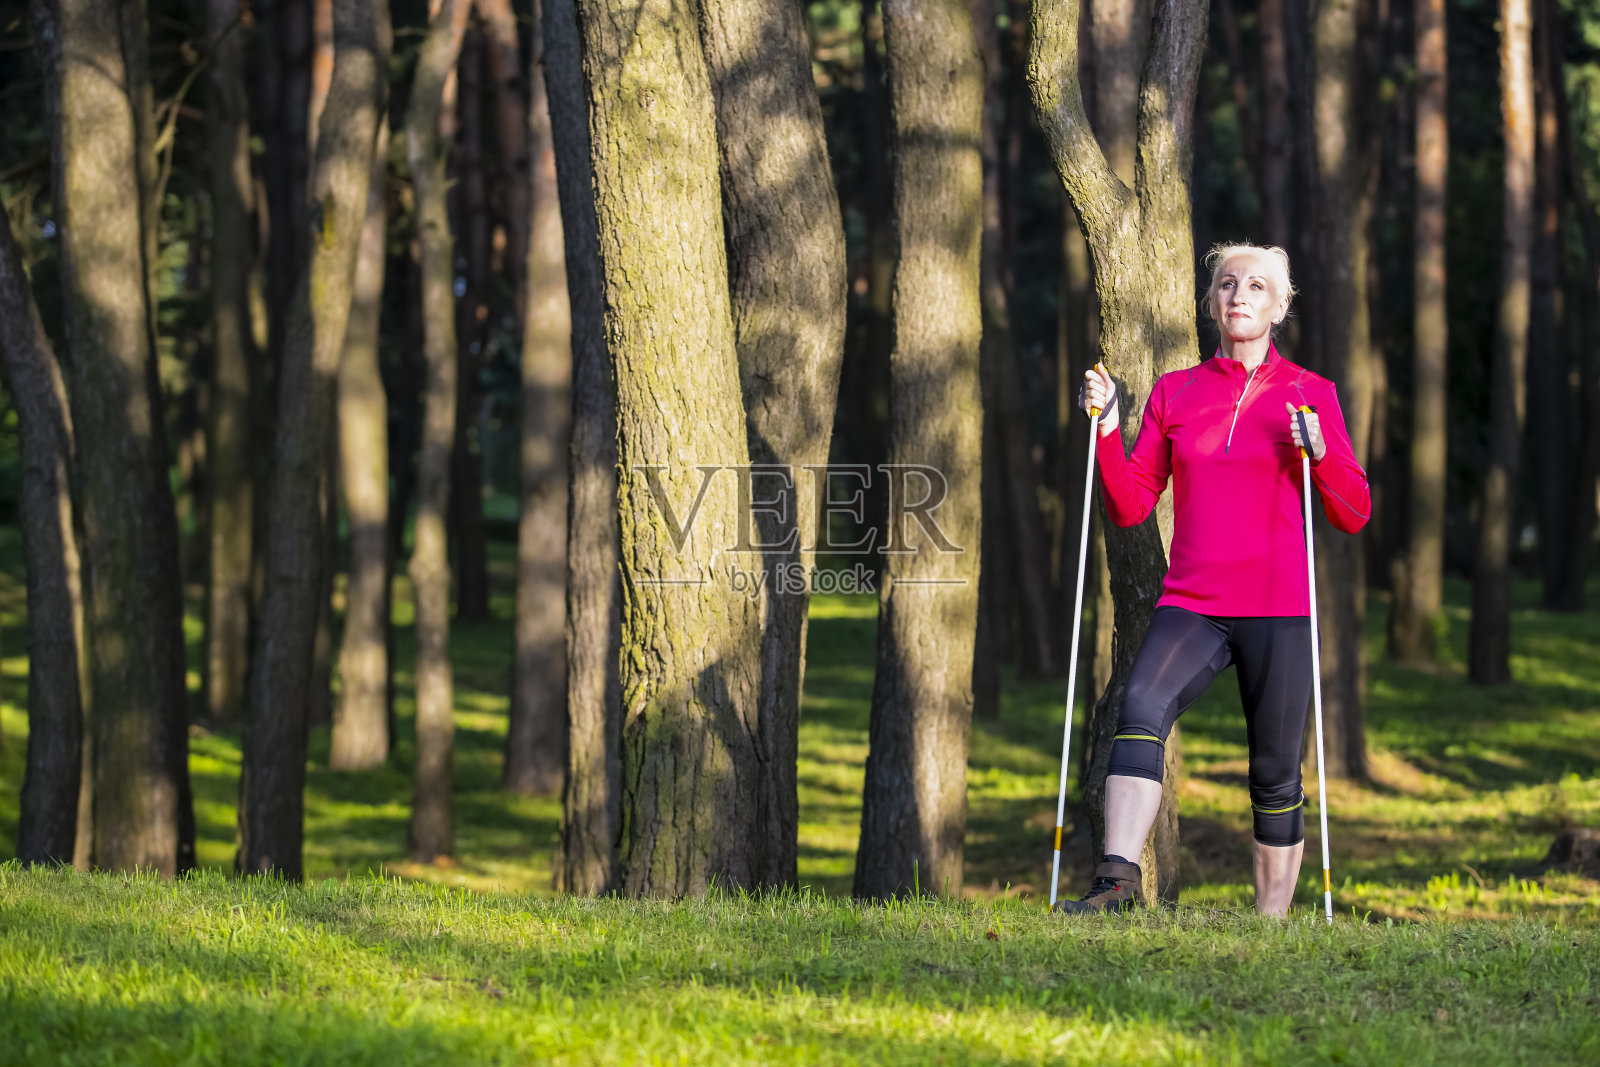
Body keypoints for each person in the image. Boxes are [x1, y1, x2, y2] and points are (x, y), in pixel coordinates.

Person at [1056, 242, 1370, 917]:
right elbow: (1131, 502)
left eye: (1257, 286)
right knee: (1140, 708)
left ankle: (1272, 924)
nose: (1239, 295)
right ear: (1211, 301)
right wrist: (1108, 426)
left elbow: (1353, 511)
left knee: (1275, 771)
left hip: (1280, 607)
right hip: (1193, 603)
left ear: (1280, 306)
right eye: (1227, 284)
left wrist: (1319, 452)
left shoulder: (1310, 394)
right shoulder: (1178, 391)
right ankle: (1117, 883)